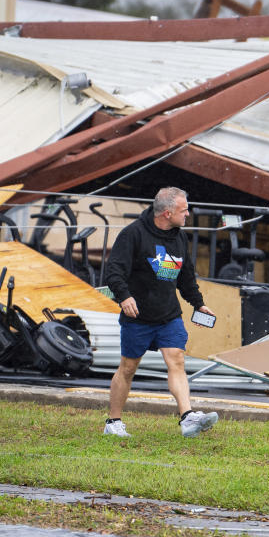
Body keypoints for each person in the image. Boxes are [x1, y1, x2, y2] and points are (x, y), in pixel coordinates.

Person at [103, 186, 218, 438]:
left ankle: (187, 417)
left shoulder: (179, 237)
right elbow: (113, 271)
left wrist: (198, 303)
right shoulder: (133, 234)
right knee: (128, 368)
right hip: (138, 317)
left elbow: (186, 276)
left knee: (176, 359)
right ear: (167, 213)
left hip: (168, 315)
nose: (188, 214)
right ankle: (113, 422)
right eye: (183, 210)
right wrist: (124, 296)